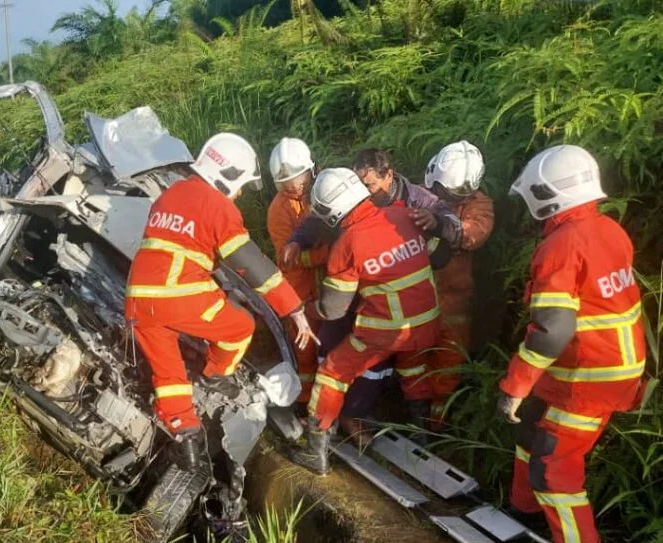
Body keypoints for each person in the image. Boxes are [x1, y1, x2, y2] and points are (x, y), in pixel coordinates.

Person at [500, 145, 647, 543]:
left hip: (588, 378)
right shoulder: (607, 229)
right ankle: (524, 511)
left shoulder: (561, 246)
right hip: (605, 365)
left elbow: (550, 331)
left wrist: (515, 385)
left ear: (547, 196)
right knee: (532, 430)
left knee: (554, 465)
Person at [126, 132, 317, 470]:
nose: (240, 193)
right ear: (227, 174)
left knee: (169, 376)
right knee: (240, 327)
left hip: (139, 301)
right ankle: (216, 376)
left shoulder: (171, 194)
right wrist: (294, 308)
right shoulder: (217, 205)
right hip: (178, 293)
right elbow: (251, 263)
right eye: (241, 184)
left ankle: (187, 439)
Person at [283, 149, 462, 445]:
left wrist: (306, 310)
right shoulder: (404, 214)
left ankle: (317, 447)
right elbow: (441, 256)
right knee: (412, 367)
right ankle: (424, 435)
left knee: (332, 372)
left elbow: (334, 309)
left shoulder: (346, 244)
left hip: (386, 332)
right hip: (428, 324)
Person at [417, 141, 495, 427]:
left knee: (449, 357)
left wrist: (441, 227)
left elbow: (474, 234)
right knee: (413, 353)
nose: (447, 199)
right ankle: (412, 406)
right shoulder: (419, 194)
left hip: (453, 295)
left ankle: (438, 420)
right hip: (416, 292)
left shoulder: (479, 205)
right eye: (443, 194)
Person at [267, 138, 328, 407]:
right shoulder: (278, 210)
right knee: (304, 350)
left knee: (329, 344)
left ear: (310, 171)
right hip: (298, 288)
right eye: (286, 181)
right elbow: (287, 259)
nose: (293, 185)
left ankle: (327, 398)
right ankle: (304, 402)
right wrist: (323, 256)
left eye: (298, 177)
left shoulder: (322, 192)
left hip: (325, 284)